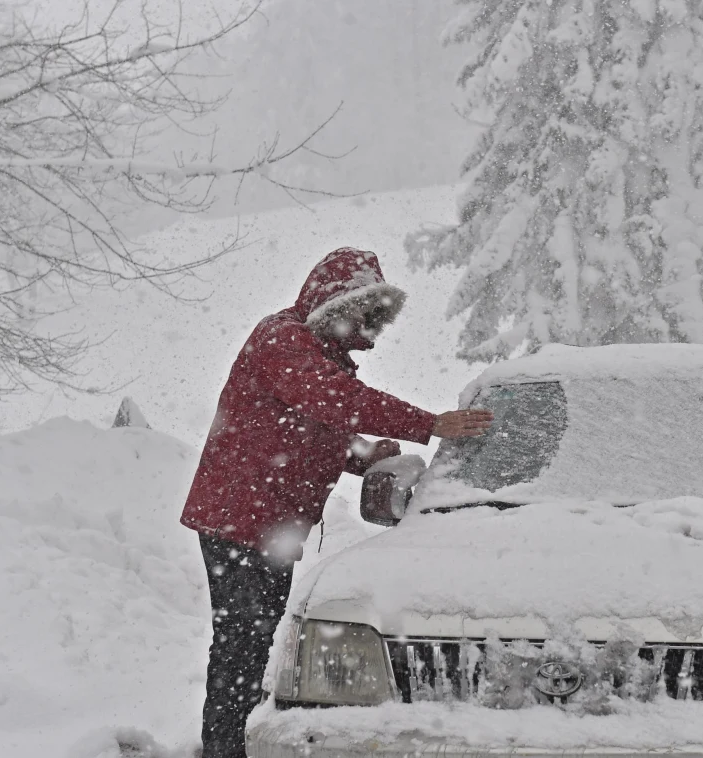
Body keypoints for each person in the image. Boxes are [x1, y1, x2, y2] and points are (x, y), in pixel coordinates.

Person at [179, 247, 493, 758]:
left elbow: (325, 432)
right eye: (360, 313)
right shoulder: (283, 340)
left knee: (254, 638)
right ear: (334, 304)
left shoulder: (320, 357)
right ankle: (223, 747)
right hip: (238, 516)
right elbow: (334, 402)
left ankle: (233, 739)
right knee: (243, 640)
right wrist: (428, 424)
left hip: (266, 520)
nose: (365, 328)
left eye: (372, 319)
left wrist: (380, 458)